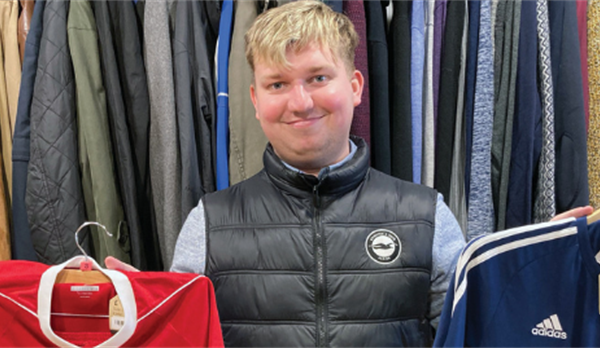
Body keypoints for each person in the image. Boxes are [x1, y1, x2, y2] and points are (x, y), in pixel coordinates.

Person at [106, 1, 593, 346]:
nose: (300, 102)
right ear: (254, 101)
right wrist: (135, 307)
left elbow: (474, 330)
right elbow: (181, 338)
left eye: (318, 77)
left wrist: (534, 265)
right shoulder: (208, 224)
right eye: (278, 83)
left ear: (355, 85)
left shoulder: (425, 215)